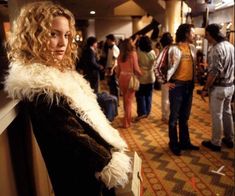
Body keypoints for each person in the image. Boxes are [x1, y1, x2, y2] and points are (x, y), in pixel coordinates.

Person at [4, 2, 131, 196]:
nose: (63, 43)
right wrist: (109, 160)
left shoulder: (60, 77)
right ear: (33, 37)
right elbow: (76, 139)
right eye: (53, 34)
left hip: (88, 174)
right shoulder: (42, 89)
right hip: (81, 178)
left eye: (66, 35)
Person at [166, 24, 199, 156]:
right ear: (186, 34)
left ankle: (185, 142)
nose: (194, 35)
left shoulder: (192, 48)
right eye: (192, 33)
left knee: (184, 117)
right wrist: (165, 81)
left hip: (189, 86)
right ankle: (173, 143)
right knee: (174, 117)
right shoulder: (173, 48)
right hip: (177, 86)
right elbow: (161, 65)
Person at [201, 23, 234, 151]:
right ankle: (229, 139)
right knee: (227, 113)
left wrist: (205, 89)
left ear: (212, 35)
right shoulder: (230, 46)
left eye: (207, 35)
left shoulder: (216, 49)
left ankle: (216, 142)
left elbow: (214, 73)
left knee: (217, 115)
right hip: (230, 86)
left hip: (219, 88)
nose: (205, 37)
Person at [116, 38, 142, 128]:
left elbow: (118, 70)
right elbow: (136, 69)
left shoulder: (120, 55)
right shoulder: (133, 54)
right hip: (130, 79)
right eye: (132, 42)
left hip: (122, 78)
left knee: (125, 101)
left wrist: (118, 77)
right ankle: (126, 123)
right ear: (129, 45)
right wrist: (142, 74)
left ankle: (126, 121)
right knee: (129, 101)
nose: (133, 44)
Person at [135, 35, 156, 120]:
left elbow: (136, 63)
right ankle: (147, 112)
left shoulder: (139, 52)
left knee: (140, 95)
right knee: (149, 95)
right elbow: (154, 63)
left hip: (141, 76)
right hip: (151, 76)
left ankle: (142, 112)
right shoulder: (152, 52)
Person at [158, 32, 173, 122]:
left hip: (165, 77)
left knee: (165, 97)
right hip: (172, 77)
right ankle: (168, 115)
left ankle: (165, 115)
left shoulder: (162, 51)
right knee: (170, 98)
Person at [105, 34, 120, 102]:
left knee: (115, 86)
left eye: (107, 40)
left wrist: (112, 69)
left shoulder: (115, 48)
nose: (107, 41)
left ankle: (116, 101)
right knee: (111, 85)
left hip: (113, 69)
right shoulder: (110, 48)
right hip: (110, 68)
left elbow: (115, 61)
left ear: (111, 40)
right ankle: (113, 100)